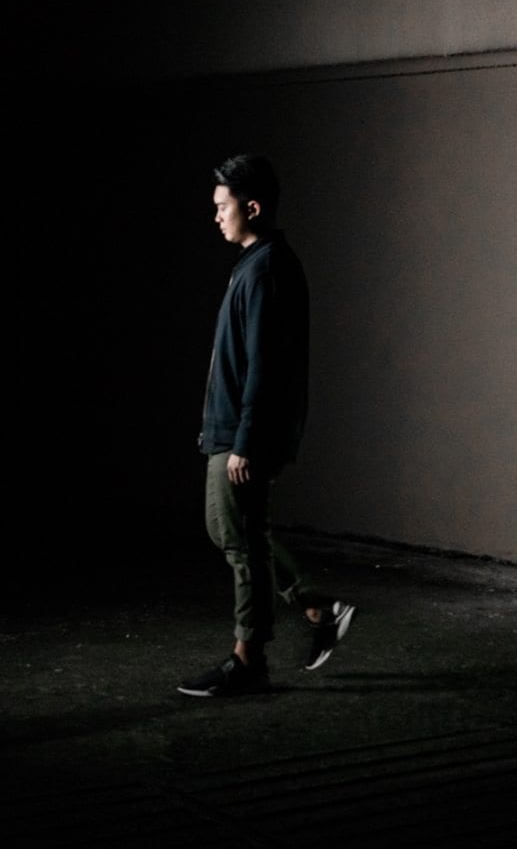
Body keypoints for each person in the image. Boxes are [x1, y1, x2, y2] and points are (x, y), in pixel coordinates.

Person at [178, 154, 355, 697]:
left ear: (251, 207)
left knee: (241, 543)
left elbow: (267, 365)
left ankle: (248, 659)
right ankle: (317, 608)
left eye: (223, 206)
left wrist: (247, 441)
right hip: (230, 429)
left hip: (242, 434)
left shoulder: (267, 269)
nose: (216, 216)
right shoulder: (254, 263)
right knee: (231, 532)